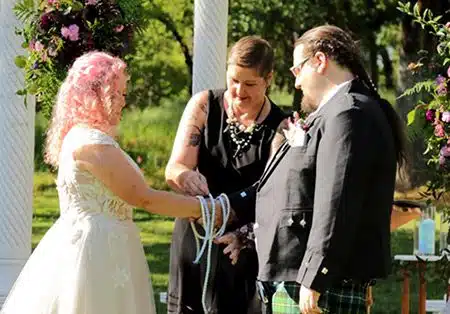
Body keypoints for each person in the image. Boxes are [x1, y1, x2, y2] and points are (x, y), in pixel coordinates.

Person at [0, 51, 216, 314]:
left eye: (123, 94)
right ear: (94, 96)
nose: (123, 102)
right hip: (97, 253)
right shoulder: (92, 144)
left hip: (102, 245)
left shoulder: (79, 138)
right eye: (116, 94)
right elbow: (143, 197)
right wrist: (205, 209)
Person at [226, 25, 407, 314]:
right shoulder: (339, 111)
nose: (296, 83)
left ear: (320, 61)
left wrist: (316, 274)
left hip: (313, 283)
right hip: (297, 276)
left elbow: (336, 201)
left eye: (297, 70)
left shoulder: (349, 112)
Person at [165, 36, 287, 314]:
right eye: (233, 80)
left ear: (269, 79)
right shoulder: (204, 105)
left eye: (250, 84)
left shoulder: (280, 127)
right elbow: (174, 168)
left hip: (240, 243)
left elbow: (271, 192)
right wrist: (185, 177)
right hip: (194, 232)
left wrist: (243, 235)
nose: (238, 91)